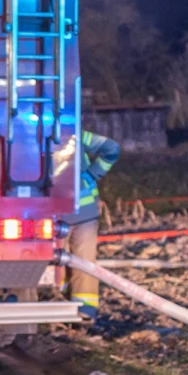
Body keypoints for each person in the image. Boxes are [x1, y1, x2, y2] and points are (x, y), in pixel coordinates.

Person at [66, 129, 121, 319]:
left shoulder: (28, 137)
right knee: (84, 262)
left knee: (49, 261)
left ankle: (52, 306)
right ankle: (85, 312)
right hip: (85, 211)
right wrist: (91, 175)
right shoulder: (76, 133)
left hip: (51, 215)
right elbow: (111, 149)